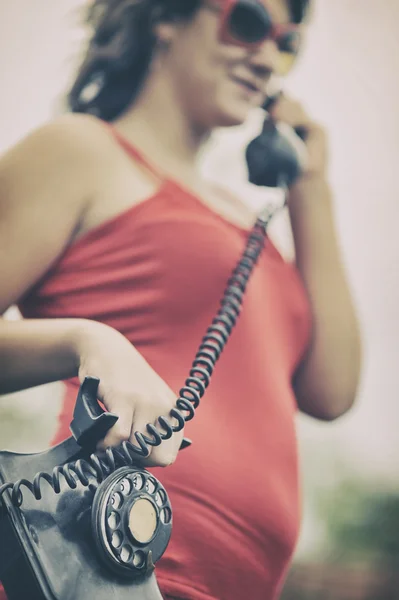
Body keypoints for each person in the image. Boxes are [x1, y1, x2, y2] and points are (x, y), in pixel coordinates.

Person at [0, 0, 362, 598]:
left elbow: (333, 389)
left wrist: (312, 187)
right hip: (103, 566)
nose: (268, 57)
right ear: (165, 17)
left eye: (287, 42)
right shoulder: (82, 150)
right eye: (247, 23)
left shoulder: (251, 225)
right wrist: (86, 340)